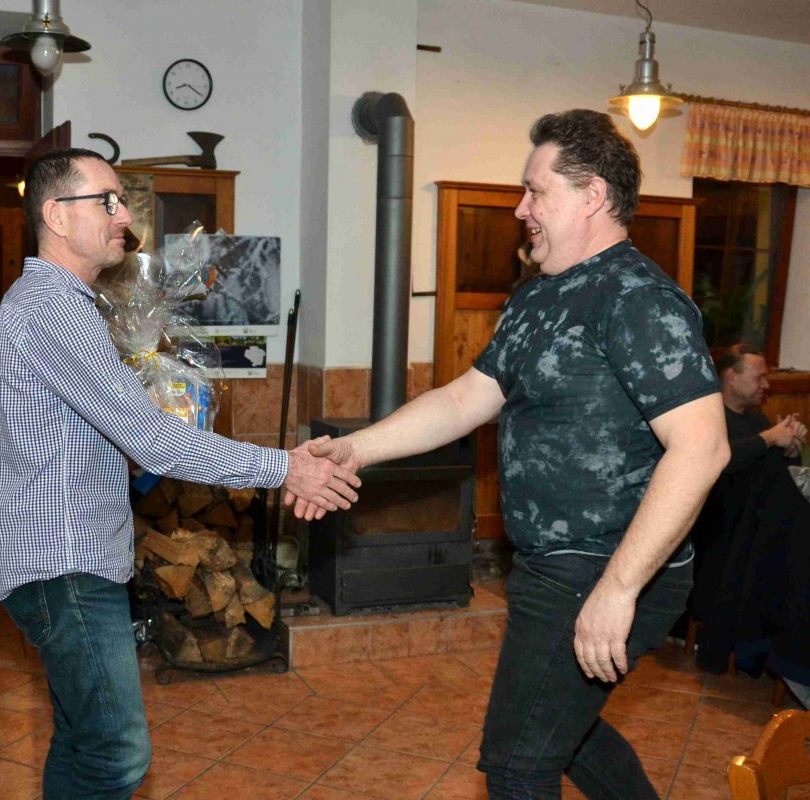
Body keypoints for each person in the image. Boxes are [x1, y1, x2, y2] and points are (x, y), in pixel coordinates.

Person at [302, 110, 729, 799]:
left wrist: (618, 589)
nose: (520, 209)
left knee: (518, 763)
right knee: (566, 731)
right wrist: (354, 448)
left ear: (592, 196)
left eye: (535, 191)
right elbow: (463, 399)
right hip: (550, 567)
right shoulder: (537, 297)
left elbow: (702, 448)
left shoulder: (639, 299)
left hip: (601, 566)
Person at [0, 148, 361, 799]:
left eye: (122, 201)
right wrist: (284, 467)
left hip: (61, 560)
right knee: (118, 755)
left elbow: (110, 434)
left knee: (81, 741)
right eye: (106, 201)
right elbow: (153, 442)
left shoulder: (55, 304)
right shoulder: (51, 309)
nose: (124, 216)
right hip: (63, 564)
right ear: (56, 215)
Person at [688, 344, 810, 681]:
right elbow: (720, 459)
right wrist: (770, 438)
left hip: (754, 521)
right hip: (715, 524)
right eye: (759, 378)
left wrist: (791, 447)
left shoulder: (755, 417)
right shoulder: (707, 415)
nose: (766, 386)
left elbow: (772, 472)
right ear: (731, 377)